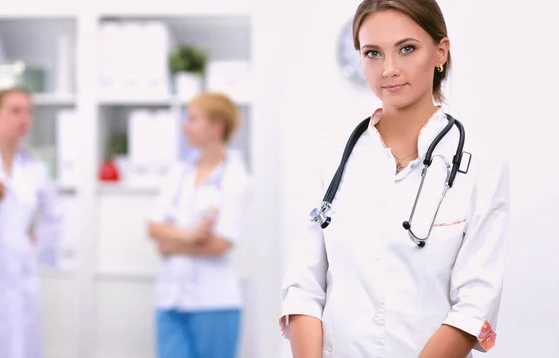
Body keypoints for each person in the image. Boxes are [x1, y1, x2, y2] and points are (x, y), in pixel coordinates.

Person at [279, 1, 510, 357]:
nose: (389, 69)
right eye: (373, 53)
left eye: (406, 49)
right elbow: (304, 290)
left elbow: (474, 304)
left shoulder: (481, 167)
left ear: (440, 52)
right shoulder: (333, 161)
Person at [0, 88, 63, 358]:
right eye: (15, 111)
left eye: (28, 112)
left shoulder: (34, 168)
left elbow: (54, 217)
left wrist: (34, 246)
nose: (23, 119)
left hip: (21, 277)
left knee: (21, 345)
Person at [147, 92, 250, 358]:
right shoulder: (179, 173)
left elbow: (220, 244)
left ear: (216, 127)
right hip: (170, 299)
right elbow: (153, 228)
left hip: (214, 303)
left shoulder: (235, 178)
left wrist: (172, 244)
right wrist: (192, 237)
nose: (185, 126)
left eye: (193, 119)